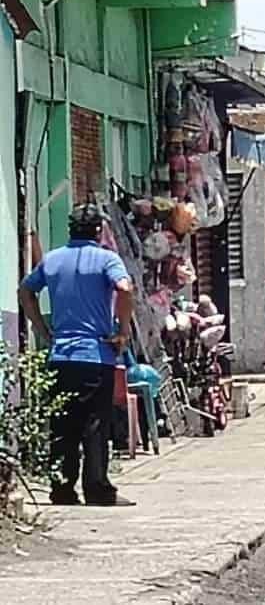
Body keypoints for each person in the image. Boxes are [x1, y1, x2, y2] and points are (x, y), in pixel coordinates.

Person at [18, 204, 135, 506]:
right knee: (95, 423)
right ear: (98, 231)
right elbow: (125, 288)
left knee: (62, 424)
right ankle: (97, 489)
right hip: (96, 356)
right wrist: (122, 332)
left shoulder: (53, 260)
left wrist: (43, 330)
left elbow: (25, 291)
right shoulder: (107, 259)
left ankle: (62, 489)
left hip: (60, 356)